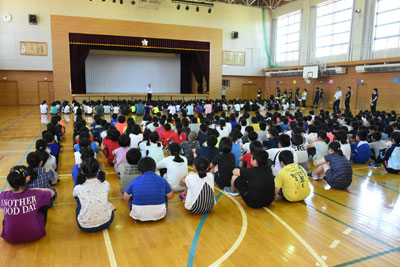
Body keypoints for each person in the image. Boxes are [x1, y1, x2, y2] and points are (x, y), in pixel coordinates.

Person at [0, 166, 54, 244]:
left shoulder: (3, 195)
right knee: (44, 202)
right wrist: (36, 189)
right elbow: (52, 193)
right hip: (35, 234)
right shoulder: (36, 193)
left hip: (10, 237)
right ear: (27, 178)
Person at [123, 157, 173, 221]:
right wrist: (170, 186)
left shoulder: (134, 181)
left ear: (140, 170)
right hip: (160, 215)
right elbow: (170, 196)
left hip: (137, 215)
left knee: (131, 196)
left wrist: (129, 206)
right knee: (165, 194)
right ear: (154, 168)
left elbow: (125, 197)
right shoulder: (162, 180)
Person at [73, 158, 115, 232]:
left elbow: (75, 196)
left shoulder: (78, 187)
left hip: (84, 226)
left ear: (82, 171)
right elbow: (107, 191)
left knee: (79, 205)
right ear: (98, 171)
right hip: (106, 223)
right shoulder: (105, 183)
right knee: (109, 204)